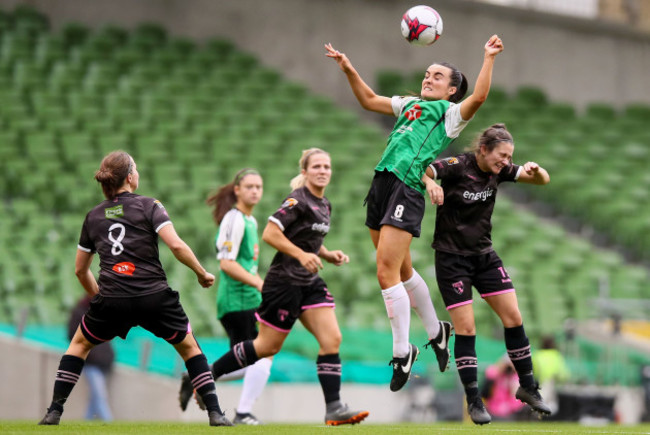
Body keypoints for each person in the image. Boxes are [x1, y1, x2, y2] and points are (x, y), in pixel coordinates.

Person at [325, 35, 504, 392]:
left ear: (452, 90)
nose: (428, 78)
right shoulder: (409, 103)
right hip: (382, 182)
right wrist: (348, 68)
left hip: (407, 187)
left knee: (384, 270)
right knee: (402, 271)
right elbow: (368, 99)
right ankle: (438, 333)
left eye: (437, 76)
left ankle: (402, 351)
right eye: (427, 73)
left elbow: (480, 97)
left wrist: (488, 58)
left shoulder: (450, 115)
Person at [38, 151, 232, 427]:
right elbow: (176, 245)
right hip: (153, 296)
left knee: (79, 345)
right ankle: (215, 414)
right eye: (136, 170)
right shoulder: (150, 205)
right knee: (190, 349)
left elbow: (80, 270)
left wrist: (100, 297)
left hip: (112, 297)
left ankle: (54, 412)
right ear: (130, 176)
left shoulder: (93, 216)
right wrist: (202, 273)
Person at [194, 148, 369, 426]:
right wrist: (301, 255)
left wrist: (326, 253)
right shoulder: (296, 200)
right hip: (284, 282)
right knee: (265, 347)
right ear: (305, 172)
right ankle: (209, 376)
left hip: (309, 282)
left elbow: (306, 237)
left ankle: (334, 407)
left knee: (332, 338)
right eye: (317, 167)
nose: (323, 171)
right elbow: (271, 233)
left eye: (327, 166)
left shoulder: (325, 204)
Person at [421, 123, 552, 424]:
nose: (506, 162)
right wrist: (431, 183)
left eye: (510, 157)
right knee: (466, 328)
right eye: (502, 155)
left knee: (514, 318)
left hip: (484, 257)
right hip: (452, 259)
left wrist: (536, 170)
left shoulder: (500, 170)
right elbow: (425, 169)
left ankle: (529, 387)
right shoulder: (457, 166)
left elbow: (542, 181)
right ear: (483, 149)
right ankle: (473, 400)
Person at [178, 168, 272, 425]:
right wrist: (259, 283)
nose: (255, 190)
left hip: (247, 299)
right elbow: (227, 264)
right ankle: (242, 412)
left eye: (259, 187)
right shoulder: (235, 219)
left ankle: (201, 377)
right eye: (249, 186)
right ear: (237, 190)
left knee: (249, 361)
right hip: (238, 300)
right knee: (262, 353)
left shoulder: (250, 221)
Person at [67, 295, 115, 422]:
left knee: (95, 398)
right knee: (100, 395)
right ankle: (110, 424)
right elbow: (72, 335)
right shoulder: (79, 312)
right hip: (90, 362)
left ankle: (86, 424)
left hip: (103, 362)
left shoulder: (102, 312)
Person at [480, 357, 526, 421]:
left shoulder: (516, 377)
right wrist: (500, 369)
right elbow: (485, 390)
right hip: (493, 408)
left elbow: (516, 397)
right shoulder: (495, 373)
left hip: (510, 410)